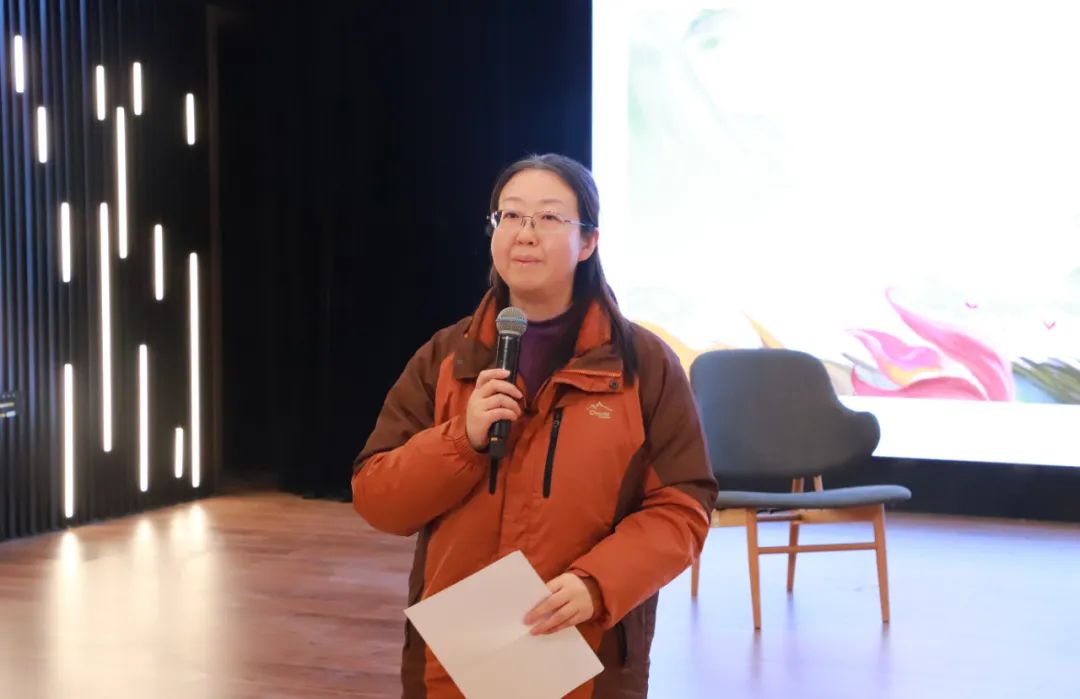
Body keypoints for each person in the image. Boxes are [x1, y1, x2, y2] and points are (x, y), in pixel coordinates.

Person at [351, 153, 718, 698]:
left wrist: (598, 583)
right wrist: (461, 440)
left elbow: (682, 507)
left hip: (582, 650)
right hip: (456, 657)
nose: (525, 233)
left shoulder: (643, 365)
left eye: (548, 217)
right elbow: (378, 497)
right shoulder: (447, 357)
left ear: (588, 242)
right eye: (510, 216)